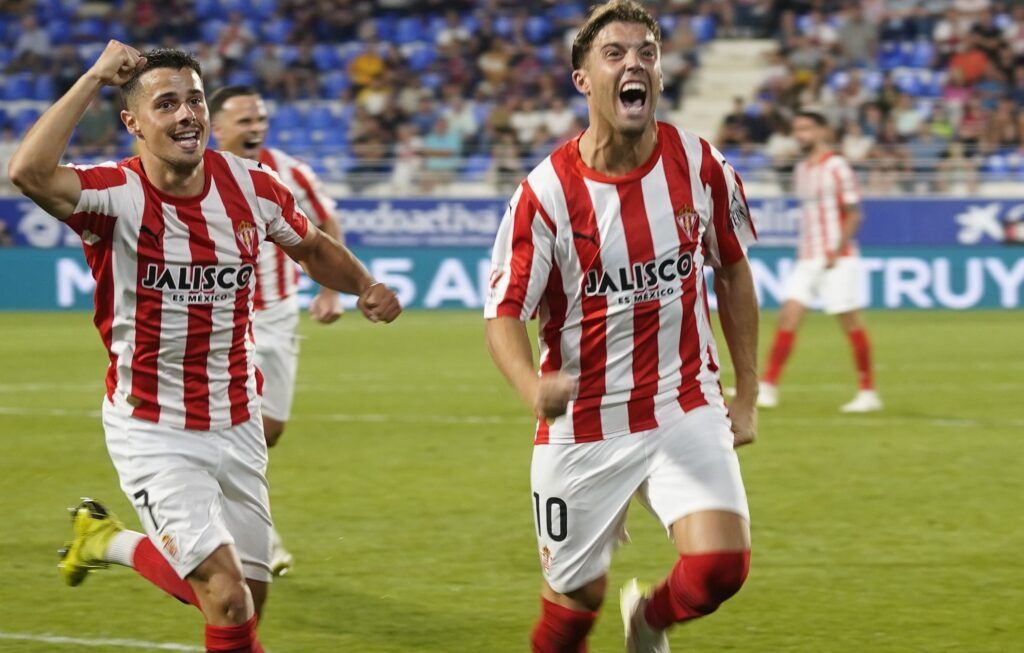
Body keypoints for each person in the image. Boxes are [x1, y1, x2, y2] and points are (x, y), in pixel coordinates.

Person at [6, 42, 401, 653]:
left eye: (194, 100)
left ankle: (107, 542)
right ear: (133, 123)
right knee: (226, 595)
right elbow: (28, 173)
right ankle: (112, 541)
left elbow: (312, 246)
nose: (187, 114)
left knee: (248, 597)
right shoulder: (114, 194)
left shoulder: (254, 188)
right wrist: (93, 77)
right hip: (153, 424)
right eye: (166, 104)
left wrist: (364, 285)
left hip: (236, 414)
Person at [484, 3, 758, 651]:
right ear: (583, 79)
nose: (634, 63)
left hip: (681, 400)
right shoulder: (545, 194)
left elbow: (735, 271)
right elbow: (503, 314)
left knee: (721, 568)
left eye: (646, 52)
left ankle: (650, 619)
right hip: (585, 420)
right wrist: (531, 387)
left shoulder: (700, 166)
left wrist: (745, 390)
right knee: (574, 608)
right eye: (615, 53)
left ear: (659, 72)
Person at [208, 84, 345, 577]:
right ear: (216, 126)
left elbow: (326, 218)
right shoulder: (194, 175)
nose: (255, 127)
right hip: (224, 319)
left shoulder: (288, 171)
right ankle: (252, 535)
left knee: (271, 429)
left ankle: (231, 515)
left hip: (280, 313)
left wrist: (330, 290)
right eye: (244, 120)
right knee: (236, 428)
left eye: (260, 118)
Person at [759, 109, 881, 413]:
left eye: (807, 128)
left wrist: (836, 250)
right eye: (797, 129)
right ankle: (769, 386)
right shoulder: (801, 170)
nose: (801, 135)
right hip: (808, 256)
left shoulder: (837, 166)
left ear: (823, 131)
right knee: (788, 314)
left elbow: (854, 212)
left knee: (849, 321)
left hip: (837, 258)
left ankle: (868, 392)